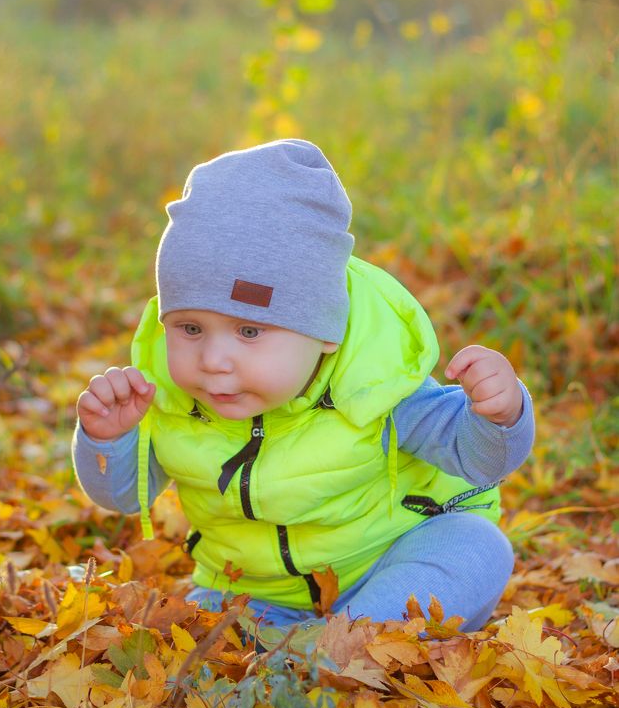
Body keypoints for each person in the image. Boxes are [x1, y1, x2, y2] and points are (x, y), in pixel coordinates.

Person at [73, 140, 534, 635]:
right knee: (191, 633)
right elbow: (123, 495)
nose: (212, 360)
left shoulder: (375, 383)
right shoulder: (165, 394)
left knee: (475, 546)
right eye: (189, 328)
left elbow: (480, 460)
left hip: (383, 571)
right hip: (253, 593)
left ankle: (341, 643)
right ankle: (294, 660)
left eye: (250, 331)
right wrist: (106, 439)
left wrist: (498, 416)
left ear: (324, 334)